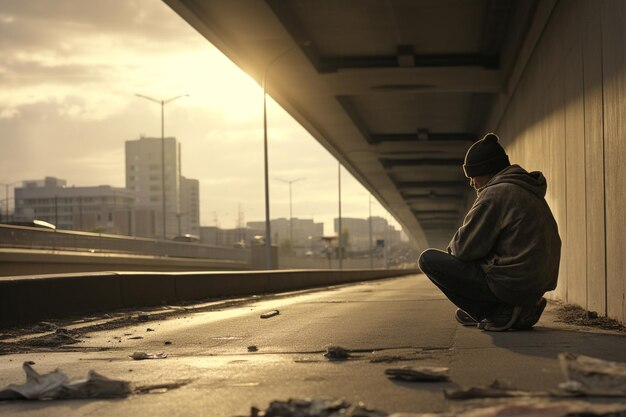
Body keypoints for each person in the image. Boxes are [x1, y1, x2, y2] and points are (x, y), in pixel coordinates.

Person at [418, 133, 561, 331]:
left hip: (511, 283)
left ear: (486, 171)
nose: (472, 183)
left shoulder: (495, 193)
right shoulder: (527, 189)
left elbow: (463, 249)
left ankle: (498, 312)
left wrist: (456, 248)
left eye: (473, 176)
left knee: (428, 260)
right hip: (534, 285)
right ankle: (522, 307)